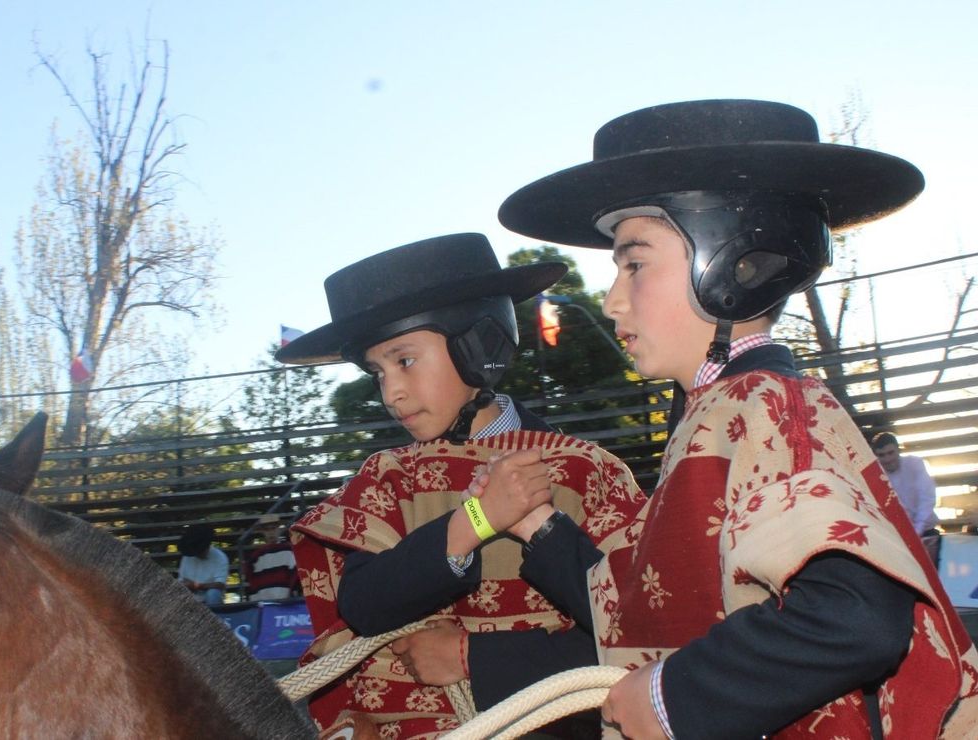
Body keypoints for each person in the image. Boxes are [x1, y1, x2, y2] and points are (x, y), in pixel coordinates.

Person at [490, 99, 978, 738]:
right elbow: (659, 605)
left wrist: (672, 698)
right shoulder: (720, 415)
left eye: (634, 263)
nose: (611, 300)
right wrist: (538, 527)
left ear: (729, 264)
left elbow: (855, 615)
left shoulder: (767, 407)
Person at [277, 233, 644, 737]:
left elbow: (638, 627)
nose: (392, 392)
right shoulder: (386, 480)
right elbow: (364, 605)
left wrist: (474, 657)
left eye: (404, 360)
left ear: (481, 346)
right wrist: (475, 520)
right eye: (376, 373)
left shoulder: (588, 473)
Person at [872, 431, 942, 565]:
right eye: (882, 455)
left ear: (898, 450)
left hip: (925, 534)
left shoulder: (914, 464)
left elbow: (927, 498)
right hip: (896, 539)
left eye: (890, 453)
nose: (887, 459)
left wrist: (916, 532)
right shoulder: (875, 475)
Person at [243, 513, 301, 601]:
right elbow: (251, 581)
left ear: (279, 529)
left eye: (273, 528)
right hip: (265, 603)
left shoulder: (289, 550)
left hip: (287, 601)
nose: (271, 532)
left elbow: (296, 576)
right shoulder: (256, 556)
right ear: (262, 532)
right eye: (267, 529)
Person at [178, 522, 229, 606]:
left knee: (213, 594)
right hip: (191, 595)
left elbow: (220, 585)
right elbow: (182, 581)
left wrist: (197, 586)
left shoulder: (220, 557)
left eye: (201, 551)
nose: (199, 554)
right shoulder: (187, 558)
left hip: (209, 596)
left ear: (207, 546)